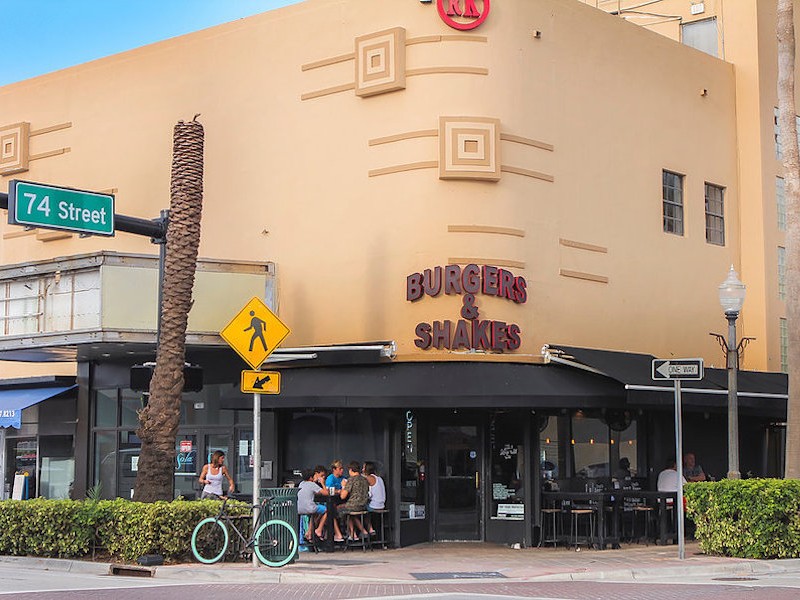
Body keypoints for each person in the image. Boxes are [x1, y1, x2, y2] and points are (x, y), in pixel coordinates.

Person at [338, 461, 370, 540]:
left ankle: (350, 533)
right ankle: (354, 534)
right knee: (351, 514)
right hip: (363, 506)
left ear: (350, 470)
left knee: (339, 509)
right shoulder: (365, 479)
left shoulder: (351, 480)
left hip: (353, 506)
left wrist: (343, 486)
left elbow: (342, 496)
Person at [297, 468, 329, 541]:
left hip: (299, 509)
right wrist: (323, 483)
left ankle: (309, 532)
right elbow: (326, 493)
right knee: (327, 510)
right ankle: (319, 530)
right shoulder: (312, 484)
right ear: (311, 477)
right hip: (309, 508)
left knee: (313, 514)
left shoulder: (301, 483)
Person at [363, 461, 386, 536]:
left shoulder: (369, 478)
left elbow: (367, 494)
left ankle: (369, 529)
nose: (362, 469)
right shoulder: (379, 478)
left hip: (375, 506)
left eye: (363, 467)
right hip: (382, 505)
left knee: (361, 508)